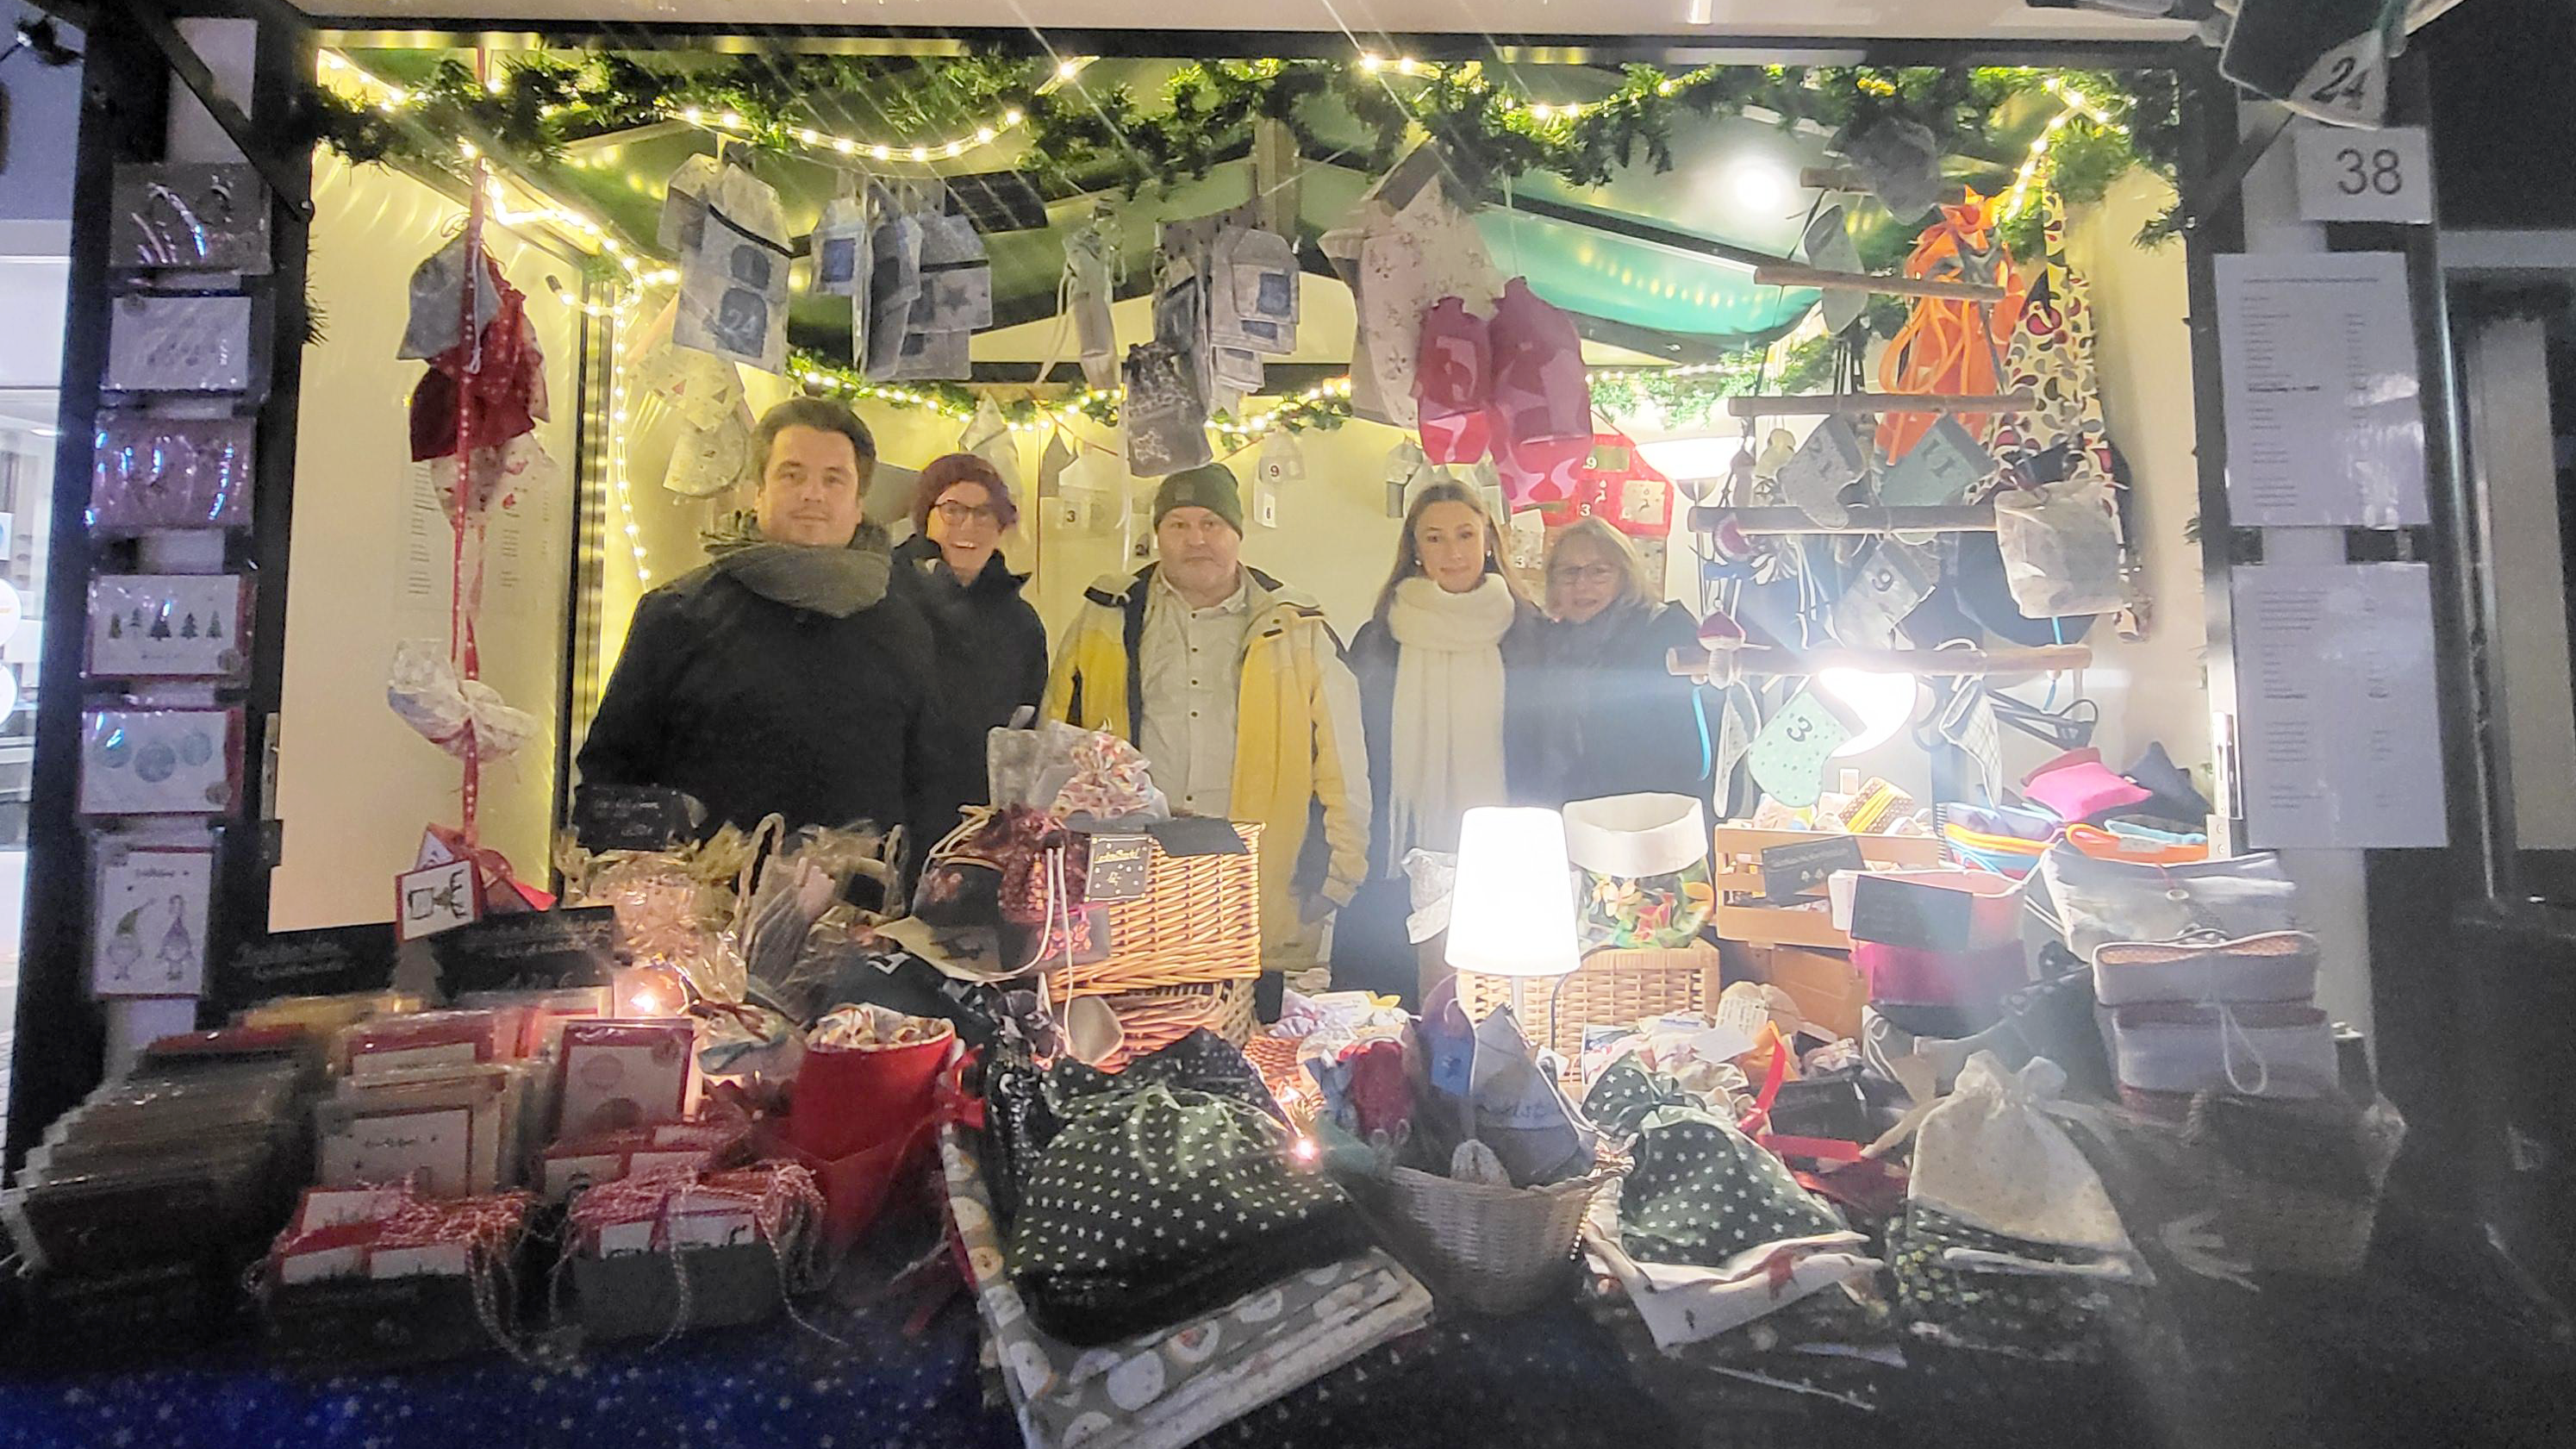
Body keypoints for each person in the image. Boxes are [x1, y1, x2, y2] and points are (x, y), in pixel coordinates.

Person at [1042, 463, 1369, 1001]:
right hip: (1136, 869)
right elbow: (1059, 743)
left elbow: (1342, 760)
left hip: (1248, 872)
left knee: (1249, 1039)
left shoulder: (1297, 627)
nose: (1196, 539)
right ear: (1157, 534)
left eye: (1212, 523)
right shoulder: (1106, 617)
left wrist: (1342, 869)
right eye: (1179, 525)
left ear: (1237, 533)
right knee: (1132, 1029)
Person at [579, 397, 946, 862]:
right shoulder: (678, 615)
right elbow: (612, 773)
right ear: (759, 491)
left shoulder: (905, 625)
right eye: (791, 475)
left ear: (858, 503)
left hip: (859, 918)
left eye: (833, 479)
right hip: (708, 916)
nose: (812, 493)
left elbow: (929, 785)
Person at [1332, 480, 1547, 1005]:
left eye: (1465, 535)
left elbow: (1550, 744)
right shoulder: (1379, 638)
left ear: (1490, 540)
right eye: (1434, 538)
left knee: (1499, 1004)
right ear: (1414, 550)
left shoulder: (1531, 634)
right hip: (1397, 847)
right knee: (1388, 1008)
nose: (1452, 552)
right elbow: (1355, 748)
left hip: (1503, 848)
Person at [892, 452, 1047, 819]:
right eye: (953, 510)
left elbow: (1029, 724)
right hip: (895, 812)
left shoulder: (1021, 622)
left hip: (981, 818)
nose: (969, 526)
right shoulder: (886, 598)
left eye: (984, 513)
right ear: (925, 517)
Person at [1535, 516, 1707, 806]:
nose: (1582, 584)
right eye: (1569, 572)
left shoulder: (1666, 631)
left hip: (1650, 815)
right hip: (1571, 814)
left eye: (1599, 571)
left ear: (1624, 577)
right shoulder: (1547, 642)